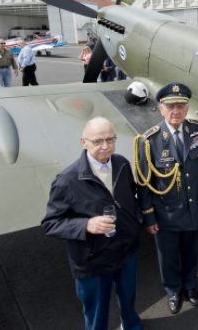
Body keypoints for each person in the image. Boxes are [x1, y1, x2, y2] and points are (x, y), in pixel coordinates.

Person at [41, 117, 144, 330]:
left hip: (126, 251)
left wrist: (136, 222)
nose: (105, 146)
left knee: (129, 300)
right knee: (97, 313)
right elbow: (51, 223)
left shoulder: (122, 164)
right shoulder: (67, 181)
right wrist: (86, 226)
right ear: (83, 142)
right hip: (94, 261)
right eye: (97, 141)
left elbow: (131, 195)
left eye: (110, 139)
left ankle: (131, 325)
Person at [135, 82, 198, 314]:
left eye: (181, 106)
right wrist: (148, 217)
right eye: (170, 107)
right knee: (168, 257)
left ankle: (190, 285)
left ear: (187, 108)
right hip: (165, 213)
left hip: (193, 208)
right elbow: (144, 184)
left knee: (191, 252)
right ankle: (173, 290)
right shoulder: (149, 141)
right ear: (161, 109)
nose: (176, 111)